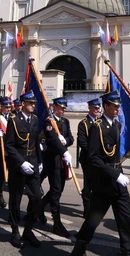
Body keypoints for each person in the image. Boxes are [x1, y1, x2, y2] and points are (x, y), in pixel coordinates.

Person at [71, 91, 130, 256]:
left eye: (118, 106)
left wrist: (119, 171)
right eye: (114, 106)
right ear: (105, 106)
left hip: (117, 178)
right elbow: (93, 158)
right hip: (105, 181)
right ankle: (80, 247)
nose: (117, 109)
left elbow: (115, 153)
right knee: (94, 219)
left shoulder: (117, 125)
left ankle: (128, 250)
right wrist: (115, 175)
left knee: (125, 217)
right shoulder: (97, 127)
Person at [5, 90, 43, 249]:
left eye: (34, 103)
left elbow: (36, 141)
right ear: (23, 104)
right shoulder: (14, 120)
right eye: (31, 103)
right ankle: (14, 230)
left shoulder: (34, 119)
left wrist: (39, 161)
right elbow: (9, 146)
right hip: (18, 164)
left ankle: (28, 229)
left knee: (36, 197)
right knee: (16, 198)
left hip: (33, 161)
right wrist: (21, 163)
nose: (34, 105)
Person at [40, 96, 74, 237]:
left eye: (64, 108)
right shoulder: (49, 121)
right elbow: (52, 140)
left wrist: (64, 140)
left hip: (62, 161)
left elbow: (71, 138)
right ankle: (57, 223)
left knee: (58, 190)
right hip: (52, 160)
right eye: (60, 107)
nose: (63, 110)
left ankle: (39, 207)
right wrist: (61, 146)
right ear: (54, 107)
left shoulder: (65, 121)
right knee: (55, 191)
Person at [77, 97, 101, 218]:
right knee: (88, 185)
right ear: (90, 108)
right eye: (95, 108)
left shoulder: (100, 122)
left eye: (98, 108)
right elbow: (82, 142)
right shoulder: (84, 124)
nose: (97, 110)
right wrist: (94, 152)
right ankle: (87, 209)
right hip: (87, 159)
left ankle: (94, 207)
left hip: (98, 159)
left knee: (97, 184)